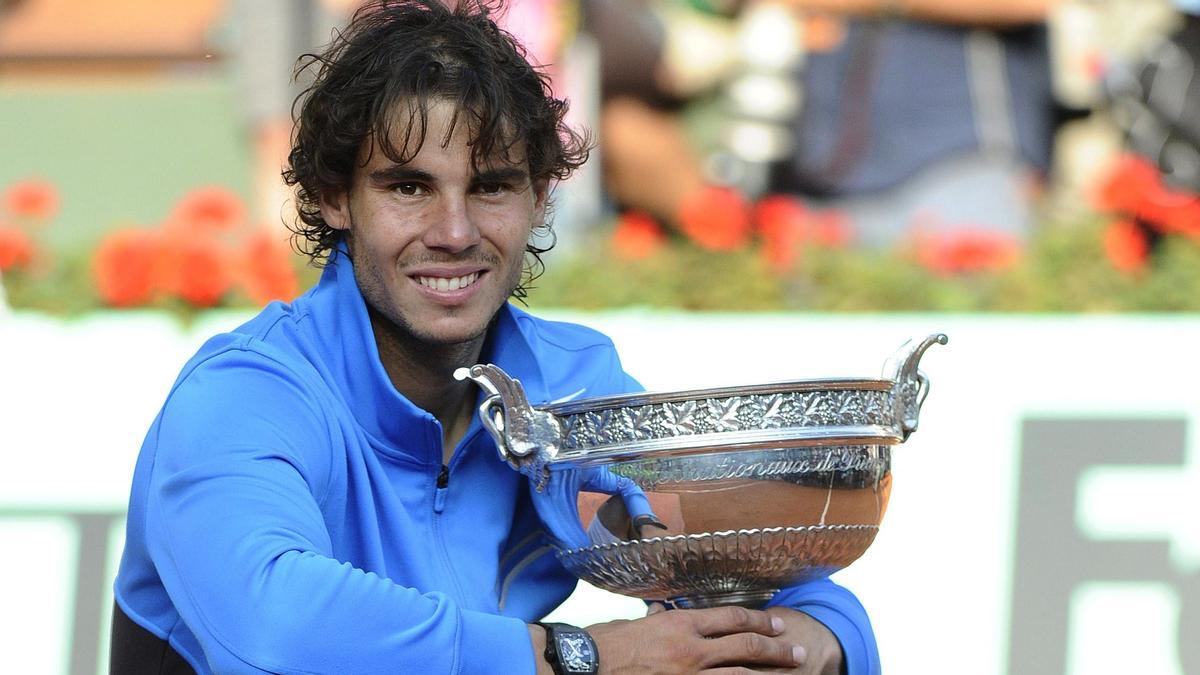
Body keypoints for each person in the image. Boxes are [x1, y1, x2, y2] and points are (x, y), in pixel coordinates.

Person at [110, 1, 879, 673]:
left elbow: (756, 575)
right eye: (408, 187)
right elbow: (277, 627)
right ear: (332, 197)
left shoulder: (574, 379)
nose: (453, 232)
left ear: (541, 196)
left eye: (492, 186)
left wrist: (807, 637)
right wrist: (584, 656)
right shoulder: (243, 392)